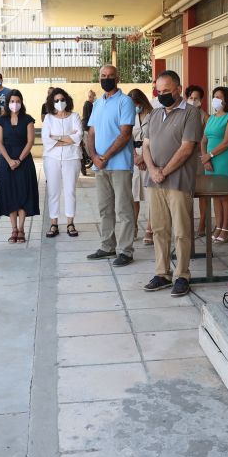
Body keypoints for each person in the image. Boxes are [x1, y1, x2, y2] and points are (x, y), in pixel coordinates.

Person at [141, 71, 204, 297]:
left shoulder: (191, 113)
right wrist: (152, 170)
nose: (162, 95)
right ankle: (162, 273)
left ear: (178, 89)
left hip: (178, 181)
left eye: (167, 90)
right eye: (159, 91)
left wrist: (164, 172)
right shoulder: (155, 113)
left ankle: (182, 275)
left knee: (181, 230)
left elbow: (187, 148)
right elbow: (145, 145)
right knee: (159, 229)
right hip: (154, 181)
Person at [86, 66, 136, 266]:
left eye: (110, 76)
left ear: (117, 78)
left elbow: (125, 134)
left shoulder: (125, 101)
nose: (106, 79)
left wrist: (105, 156)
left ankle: (125, 251)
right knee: (105, 208)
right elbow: (91, 132)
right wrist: (94, 157)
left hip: (120, 164)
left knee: (123, 209)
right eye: (103, 76)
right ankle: (107, 246)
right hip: (100, 165)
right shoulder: (98, 103)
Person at [0, 90, 40, 243]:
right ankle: (13, 229)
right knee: (10, 195)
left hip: (24, 161)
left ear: (21, 102)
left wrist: (19, 160)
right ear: (8, 103)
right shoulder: (1, 120)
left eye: (18, 101)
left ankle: (21, 229)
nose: (15, 104)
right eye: (12, 101)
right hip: (6, 162)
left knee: (23, 194)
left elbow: (30, 141)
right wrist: (9, 160)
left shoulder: (28, 119)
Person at [41, 88, 82, 238]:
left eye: (62, 99)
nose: (60, 102)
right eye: (56, 100)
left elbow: (79, 136)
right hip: (52, 159)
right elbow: (46, 140)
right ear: (52, 102)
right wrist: (68, 138)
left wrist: (56, 138)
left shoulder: (75, 116)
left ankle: (70, 223)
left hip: (72, 158)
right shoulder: (48, 118)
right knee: (53, 191)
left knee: (70, 191)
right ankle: (54, 223)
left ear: (67, 100)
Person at [201, 86, 228, 242]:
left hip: (223, 160)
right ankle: (218, 226)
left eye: (218, 97)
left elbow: (226, 142)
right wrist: (205, 158)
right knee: (215, 195)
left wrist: (209, 155)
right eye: (214, 96)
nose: (215, 99)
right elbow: (203, 141)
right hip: (209, 161)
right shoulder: (211, 118)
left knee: (225, 195)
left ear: (226, 100)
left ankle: (226, 228)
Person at [128, 88, 154, 245]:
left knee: (150, 196)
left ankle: (150, 229)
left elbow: (155, 138)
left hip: (149, 155)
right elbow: (126, 137)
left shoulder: (153, 114)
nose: (135, 107)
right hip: (133, 156)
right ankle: (134, 225)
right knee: (134, 194)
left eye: (136, 104)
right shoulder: (129, 115)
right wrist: (135, 157)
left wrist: (143, 158)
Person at [185, 85, 211, 238]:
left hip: (199, 157)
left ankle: (202, 223)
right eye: (191, 98)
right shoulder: (182, 114)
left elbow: (206, 140)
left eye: (196, 98)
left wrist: (206, 156)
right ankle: (187, 224)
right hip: (184, 158)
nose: (193, 101)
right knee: (186, 193)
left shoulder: (205, 117)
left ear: (201, 100)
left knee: (202, 192)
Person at [80, 89, 96, 176]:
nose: (94, 98)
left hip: (86, 127)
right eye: (93, 96)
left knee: (87, 148)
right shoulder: (89, 104)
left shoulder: (87, 104)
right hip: (87, 128)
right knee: (89, 148)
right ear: (91, 96)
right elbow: (91, 117)